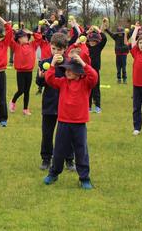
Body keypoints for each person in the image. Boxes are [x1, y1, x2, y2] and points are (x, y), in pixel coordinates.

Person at [42, 53, 98, 190]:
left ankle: (84, 178)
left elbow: (94, 77)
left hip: (79, 124)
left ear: (79, 72)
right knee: (59, 150)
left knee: (81, 151)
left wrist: (84, 64)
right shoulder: (62, 83)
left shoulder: (85, 83)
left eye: (70, 69)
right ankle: (54, 173)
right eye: (66, 69)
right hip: (63, 122)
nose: (67, 72)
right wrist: (53, 64)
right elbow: (49, 79)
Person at [36, 33, 75, 171]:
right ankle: (46, 159)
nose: (56, 52)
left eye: (59, 49)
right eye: (53, 49)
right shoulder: (45, 63)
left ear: (65, 49)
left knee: (67, 134)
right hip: (49, 103)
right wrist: (41, 76)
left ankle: (69, 160)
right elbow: (39, 82)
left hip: (66, 104)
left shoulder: (70, 64)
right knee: (47, 133)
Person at [9, 28, 42, 115]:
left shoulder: (32, 45)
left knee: (27, 91)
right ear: (19, 39)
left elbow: (39, 38)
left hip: (29, 71)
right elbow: (10, 39)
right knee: (21, 90)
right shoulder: (16, 46)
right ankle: (12, 102)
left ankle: (25, 109)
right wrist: (13, 31)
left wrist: (31, 32)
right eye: (24, 36)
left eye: (27, 36)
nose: (27, 38)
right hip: (20, 72)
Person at [86, 21, 108, 113]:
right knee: (88, 88)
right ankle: (88, 107)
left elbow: (104, 37)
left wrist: (99, 29)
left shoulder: (99, 46)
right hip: (87, 70)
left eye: (94, 41)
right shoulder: (86, 46)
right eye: (90, 41)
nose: (92, 42)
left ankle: (98, 106)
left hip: (95, 70)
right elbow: (81, 37)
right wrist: (88, 32)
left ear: (97, 41)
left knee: (96, 88)